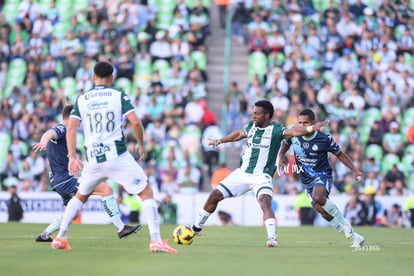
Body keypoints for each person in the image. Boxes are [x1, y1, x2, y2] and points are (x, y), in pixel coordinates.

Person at [51, 61, 176, 253]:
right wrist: (141, 144)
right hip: (117, 155)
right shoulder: (119, 95)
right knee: (146, 192)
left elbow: (71, 128)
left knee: (80, 196)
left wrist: (72, 157)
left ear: (93, 77)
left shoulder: (82, 99)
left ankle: (61, 237)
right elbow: (134, 122)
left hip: (93, 158)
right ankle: (156, 241)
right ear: (112, 78)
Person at [191, 100, 328, 248]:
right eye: (253, 113)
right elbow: (238, 135)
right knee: (214, 195)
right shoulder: (251, 126)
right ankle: (196, 228)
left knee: (265, 200)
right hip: (243, 173)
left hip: (262, 176)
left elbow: (294, 131)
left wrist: (311, 128)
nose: (253, 116)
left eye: (257, 114)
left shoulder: (276, 129)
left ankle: (272, 239)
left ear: (267, 115)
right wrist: (219, 141)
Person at [32, 105, 141, 242]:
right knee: (105, 189)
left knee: (72, 212)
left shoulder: (67, 134)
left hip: (59, 181)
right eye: (79, 118)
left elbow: (64, 154)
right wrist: (43, 142)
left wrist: (77, 162)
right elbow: (49, 133)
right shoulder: (63, 128)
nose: (80, 123)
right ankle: (121, 229)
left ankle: (44, 235)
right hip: (65, 180)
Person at [277, 108, 365, 248]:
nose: (302, 126)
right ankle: (355, 237)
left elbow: (340, 154)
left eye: (305, 123)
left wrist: (354, 170)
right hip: (306, 180)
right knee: (322, 211)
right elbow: (285, 144)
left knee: (318, 196)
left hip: (322, 174)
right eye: (300, 123)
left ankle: (346, 225)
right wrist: (281, 156)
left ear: (313, 122)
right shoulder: (294, 134)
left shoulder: (324, 139)